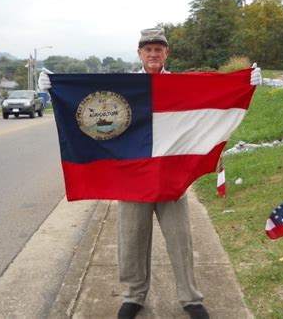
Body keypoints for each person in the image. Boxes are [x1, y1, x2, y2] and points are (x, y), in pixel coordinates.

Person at [38, 28, 262, 319]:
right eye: (148, 49)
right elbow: (89, 102)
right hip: (132, 179)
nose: (153, 54)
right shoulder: (125, 87)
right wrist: (54, 87)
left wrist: (247, 82)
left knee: (180, 239)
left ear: (166, 53)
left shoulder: (182, 85)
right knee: (131, 240)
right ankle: (133, 296)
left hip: (170, 178)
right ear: (139, 53)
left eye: (159, 49)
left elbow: (215, 95)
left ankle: (190, 298)